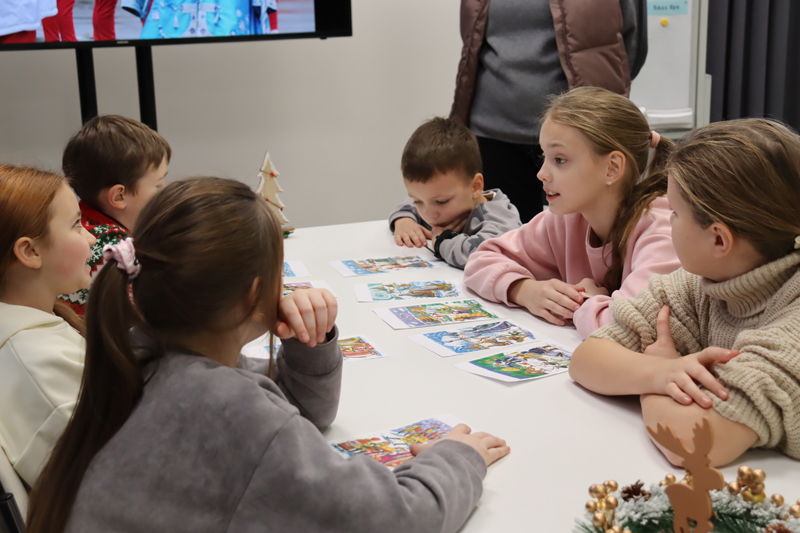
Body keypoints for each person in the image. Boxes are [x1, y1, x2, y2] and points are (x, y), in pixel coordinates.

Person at [27, 177, 510, 532]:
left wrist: (307, 342)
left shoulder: (145, 350)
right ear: (254, 293)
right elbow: (396, 521)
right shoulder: (220, 402)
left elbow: (299, 414)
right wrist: (457, 458)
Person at [569, 118, 800, 467]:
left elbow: (690, 444)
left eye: (674, 212)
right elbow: (587, 359)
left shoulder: (792, 328)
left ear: (718, 239)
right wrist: (661, 374)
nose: (667, 220)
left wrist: (657, 374)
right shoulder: (701, 282)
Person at [463, 87, 680, 339]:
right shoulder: (567, 216)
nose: (541, 174)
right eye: (544, 157)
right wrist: (524, 290)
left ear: (612, 168)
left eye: (560, 160)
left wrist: (585, 301)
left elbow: (632, 327)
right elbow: (481, 260)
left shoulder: (663, 230)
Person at [451, 0, 647, 223]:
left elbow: (633, 46)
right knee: (506, 236)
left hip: (582, 132)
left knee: (588, 233)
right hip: (492, 132)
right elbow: (473, 38)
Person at [0, 165, 95, 488]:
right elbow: (111, 483)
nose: (91, 236)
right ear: (30, 251)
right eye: (77, 224)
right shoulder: (39, 362)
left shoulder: (43, 330)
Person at [58, 115, 171, 316]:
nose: (165, 193)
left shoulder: (81, 223)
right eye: (158, 185)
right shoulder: (115, 250)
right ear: (119, 196)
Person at [390, 117, 521, 269]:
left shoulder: (500, 218)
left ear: (475, 187)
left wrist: (442, 241)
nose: (429, 214)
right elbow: (408, 203)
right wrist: (404, 220)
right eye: (418, 201)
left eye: (441, 201)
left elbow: (483, 256)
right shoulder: (437, 202)